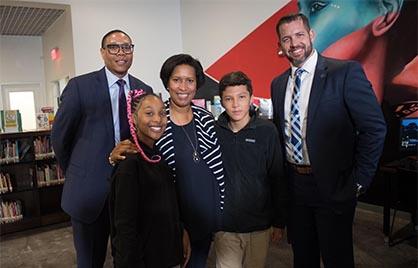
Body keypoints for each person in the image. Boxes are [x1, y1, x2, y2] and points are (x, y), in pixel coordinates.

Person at [271, 13, 386, 268]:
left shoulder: (344, 73)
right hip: (295, 187)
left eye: (299, 35)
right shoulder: (277, 85)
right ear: (280, 46)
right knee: (303, 258)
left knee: (338, 259)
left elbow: (374, 128)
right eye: (286, 39)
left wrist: (358, 182)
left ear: (311, 35)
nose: (294, 43)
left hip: (334, 186)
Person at [109, 54, 225, 267]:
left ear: (197, 84)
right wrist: (113, 155)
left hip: (206, 218)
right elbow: (134, 153)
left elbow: (218, 167)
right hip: (172, 223)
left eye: (189, 80)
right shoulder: (156, 119)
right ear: (167, 83)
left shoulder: (206, 118)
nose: (183, 87)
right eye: (176, 79)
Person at [51, 29, 152, 267]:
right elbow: (60, 138)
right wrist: (79, 171)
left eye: (127, 47)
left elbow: (146, 138)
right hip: (88, 192)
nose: (121, 53)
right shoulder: (80, 86)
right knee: (89, 261)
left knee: (129, 257)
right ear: (102, 52)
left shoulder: (142, 89)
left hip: (129, 191)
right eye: (113, 47)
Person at [213, 71, 287, 268]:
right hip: (224, 226)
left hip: (258, 226)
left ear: (251, 98)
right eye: (229, 99)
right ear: (221, 101)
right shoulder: (214, 132)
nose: (235, 104)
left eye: (241, 97)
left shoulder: (267, 131)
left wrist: (279, 221)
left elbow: (277, 178)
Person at [109, 90, 189, 267]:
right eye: (149, 113)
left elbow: (168, 206)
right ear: (134, 119)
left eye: (162, 113)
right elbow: (124, 228)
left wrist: (180, 231)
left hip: (167, 254)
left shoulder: (157, 155)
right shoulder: (129, 164)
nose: (158, 119)